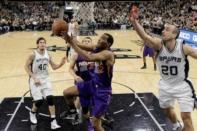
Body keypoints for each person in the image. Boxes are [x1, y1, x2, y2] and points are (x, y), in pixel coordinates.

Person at [129, 5, 197, 131]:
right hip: (165, 85)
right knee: (166, 110)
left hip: (182, 85)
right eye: (164, 29)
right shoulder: (158, 45)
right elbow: (144, 36)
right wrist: (134, 22)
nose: (162, 31)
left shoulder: (183, 48)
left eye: (167, 30)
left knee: (187, 118)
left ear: (174, 34)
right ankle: (176, 125)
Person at [61, 32, 115, 131]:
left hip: (102, 91)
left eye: (103, 39)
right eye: (100, 37)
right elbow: (80, 44)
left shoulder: (108, 54)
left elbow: (88, 57)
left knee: (95, 125)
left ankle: (102, 120)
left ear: (108, 44)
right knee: (67, 93)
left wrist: (72, 43)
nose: (99, 39)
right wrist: (69, 38)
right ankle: (73, 112)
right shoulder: (97, 47)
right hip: (92, 84)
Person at [25, 37, 66, 129]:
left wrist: (61, 63)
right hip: (35, 79)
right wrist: (34, 77)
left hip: (46, 79)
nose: (42, 44)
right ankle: (32, 113)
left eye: (44, 42)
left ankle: (53, 122)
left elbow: (54, 67)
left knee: (50, 99)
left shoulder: (48, 54)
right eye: (40, 42)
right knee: (39, 101)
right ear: (37, 44)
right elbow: (26, 67)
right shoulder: (33, 54)